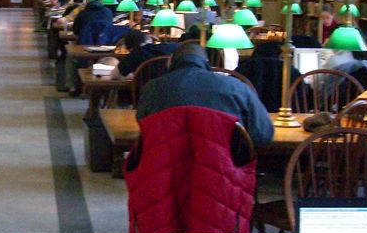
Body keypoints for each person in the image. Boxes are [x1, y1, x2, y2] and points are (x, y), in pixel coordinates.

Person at [137, 43, 275, 148]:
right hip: (224, 171)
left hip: (166, 171)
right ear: (207, 63)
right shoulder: (236, 87)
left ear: (170, 63)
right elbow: (263, 135)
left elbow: (144, 125)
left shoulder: (152, 89)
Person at [110, 30, 179, 80]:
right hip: (173, 90)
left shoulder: (134, 55)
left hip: (145, 93)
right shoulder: (171, 48)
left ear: (130, 49)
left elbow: (114, 76)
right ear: (148, 40)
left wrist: (134, 75)